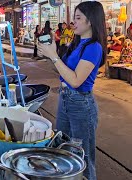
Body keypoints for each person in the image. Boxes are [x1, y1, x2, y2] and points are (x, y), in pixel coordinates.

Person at [38, 1, 107, 180]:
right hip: (65, 99)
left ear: (90, 21)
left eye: (78, 18)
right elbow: (63, 72)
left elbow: (76, 81)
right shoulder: (76, 44)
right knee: (63, 147)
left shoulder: (94, 47)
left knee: (82, 154)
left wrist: (54, 56)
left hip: (81, 104)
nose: (73, 22)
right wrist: (50, 54)